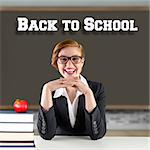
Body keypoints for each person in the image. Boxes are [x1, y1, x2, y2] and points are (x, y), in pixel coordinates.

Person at [37, 39, 106, 140]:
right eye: (63, 59)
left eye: (75, 59)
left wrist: (88, 93)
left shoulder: (97, 89)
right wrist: (46, 89)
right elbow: (46, 135)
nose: (69, 65)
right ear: (56, 62)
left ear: (82, 61)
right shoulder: (50, 90)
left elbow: (97, 134)